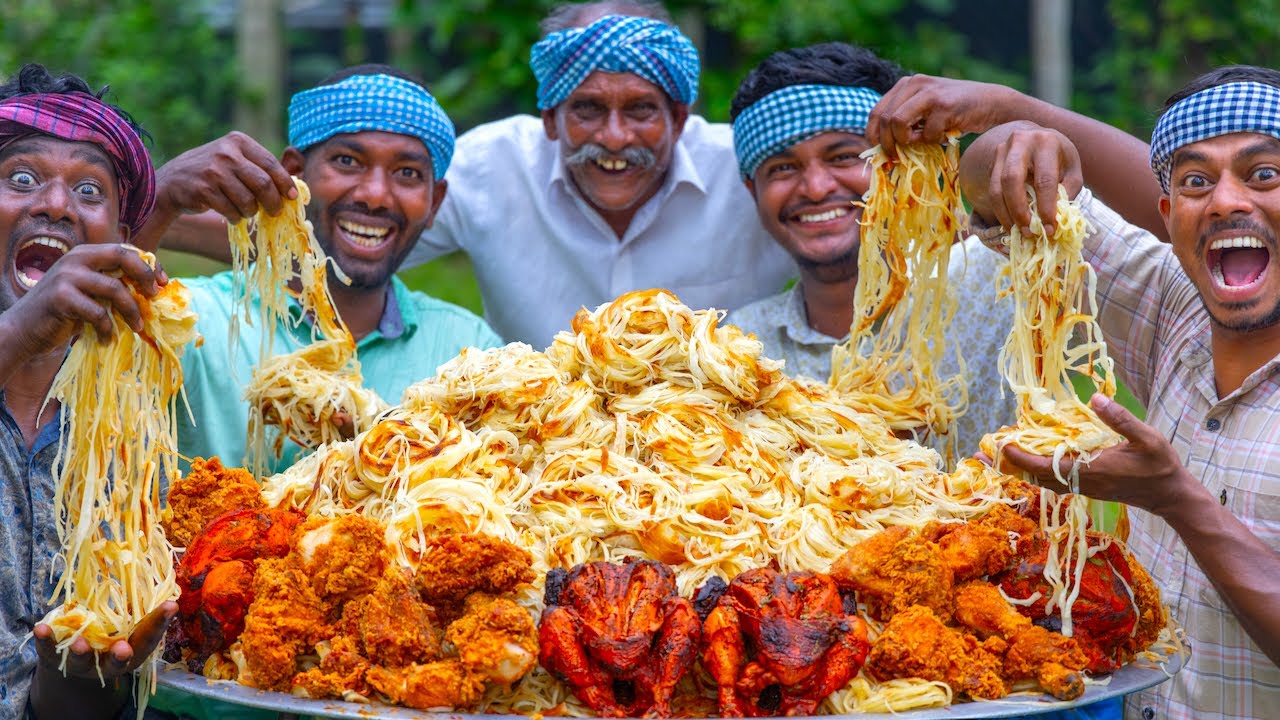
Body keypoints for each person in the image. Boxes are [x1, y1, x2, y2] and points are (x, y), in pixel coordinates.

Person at [954, 65, 1280, 720]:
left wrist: (1174, 499)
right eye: (1194, 182)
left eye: (1262, 174)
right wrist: (1013, 137)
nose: (1223, 202)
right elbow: (998, 203)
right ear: (1170, 217)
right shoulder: (1175, 308)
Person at [139, 65, 503, 476]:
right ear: (294, 173)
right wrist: (159, 197)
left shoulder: (469, 353)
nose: (376, 196)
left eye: (407, 174)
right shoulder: (193, 320)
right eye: (348, 161)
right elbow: (89, 360)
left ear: (435, 203)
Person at [397, 0, 797, 348]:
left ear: (678, 119)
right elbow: (355, 254)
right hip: (534, 429)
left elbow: (845, 245)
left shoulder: (744, 171)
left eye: (641, 109)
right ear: (550, 120)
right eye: (588, 109)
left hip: (719, 430)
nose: (615, 138)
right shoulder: (491, 168)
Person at [725, 42, 1017, 458]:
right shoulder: (744, 345)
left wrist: (1007, 112)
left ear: (896, 168)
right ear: (753, 190)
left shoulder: (997, 281)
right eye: (783, 168)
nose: (816, 187)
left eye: (844, 156)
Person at [0, 63, 176, 720]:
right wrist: (21, 327)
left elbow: (75, 705)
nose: (55, 205)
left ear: (120, 244)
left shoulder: (130, 433)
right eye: (21, 179)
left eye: (89, 191)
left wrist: (81, 677)